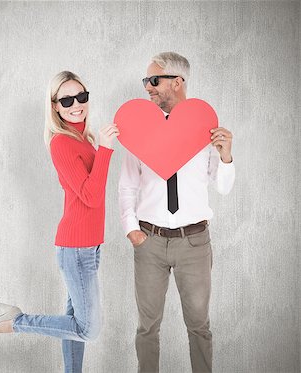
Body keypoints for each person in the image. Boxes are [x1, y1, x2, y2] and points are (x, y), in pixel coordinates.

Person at [0, 71, 119, 373]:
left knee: (74, 323)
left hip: (89, 245)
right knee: (89, 329)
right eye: (67, 99)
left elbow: (90, 191)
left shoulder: (83, 139)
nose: (76, 104)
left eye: (81, 97)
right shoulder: (61, 143)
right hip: (76, 248)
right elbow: (91, 195)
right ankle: (15, 322)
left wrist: (98, 145)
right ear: (55, 106)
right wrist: (106, 149)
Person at [119, 52, 235, 372]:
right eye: (146, 81)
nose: (148, 88)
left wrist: (226, 156)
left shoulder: (204, 127)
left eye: (153, 81)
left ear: (177, 82)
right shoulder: (139, 130)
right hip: (150, 240)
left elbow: (222, 186)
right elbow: (128, 184)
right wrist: (132, 229)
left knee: (199, 325)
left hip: (194, 242)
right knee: (147, 327)